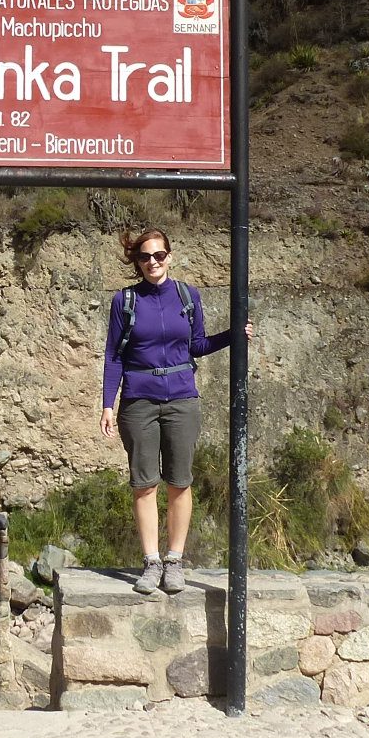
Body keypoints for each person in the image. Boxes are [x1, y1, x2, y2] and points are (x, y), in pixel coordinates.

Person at [100, 227, 246, 595]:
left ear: (170, 256)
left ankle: (174, 561)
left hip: (182, 399)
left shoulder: (187, 295)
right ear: (137, 261)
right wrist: (107, 403)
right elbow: (114, 356)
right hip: (138, 402)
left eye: (159, 255)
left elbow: (196, 345)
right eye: (145, 256)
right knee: (144, 484)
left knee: (180, 483)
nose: (152, 262)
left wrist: (233, 335)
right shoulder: (125, 301)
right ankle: (151, 562)